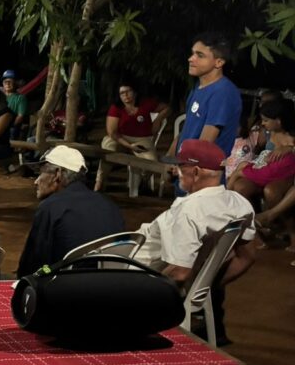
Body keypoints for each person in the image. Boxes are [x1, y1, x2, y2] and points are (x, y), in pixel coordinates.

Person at [136, 139, 256, 344]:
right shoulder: (239, 203)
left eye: (181, 166)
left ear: (197, 172)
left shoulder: (190, 212)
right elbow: (247, 256)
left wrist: (147, 295)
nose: (175, 170)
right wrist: (207, 285)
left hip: (138, 269)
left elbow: (180, 272)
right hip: (169, 265)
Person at [16, 146, 125, 277]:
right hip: (112, 286)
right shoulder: (109, 205)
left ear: (57, 174)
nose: (36, 181)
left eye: (40, 173)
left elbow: (33, 267)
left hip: (68, 290)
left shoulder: (50, 207)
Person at [177, 32, 243, 159]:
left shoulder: (223, 92)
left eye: (200, 55)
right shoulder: (198, 87)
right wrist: (170, 160)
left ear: (218, 62)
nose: (191, 59)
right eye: (193, 53)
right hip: (184, 169)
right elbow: (186, 130)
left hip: (202, 173)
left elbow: (205, 143)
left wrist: (186, 168)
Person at [228, 99, 295, 203]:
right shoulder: (269, 132)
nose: (263, 123)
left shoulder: (291, 136)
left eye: (266, 120)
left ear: (278, 121)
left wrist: (289, 148)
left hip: (279, 173)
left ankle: (224, 199)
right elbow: (256, 147)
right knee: (240, 183)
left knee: (240, 173)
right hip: (264, 167)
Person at [101, 82, 167, 160]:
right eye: (122, 93)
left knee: (152, 160)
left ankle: (142, 172)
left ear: (135, 93)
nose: (125, 95)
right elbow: (112, 132)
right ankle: (101, 172)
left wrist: (157, 120)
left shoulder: (146, 103)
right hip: (119, 138)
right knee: (108, 151)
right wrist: (129, 146)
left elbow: (167, 108)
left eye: (128, 91)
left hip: (142, 139)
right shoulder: (116, 108)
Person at [1, 70, 29, 140]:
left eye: (10, 82)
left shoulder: (20, 98)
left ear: (15, 83)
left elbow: (20, 116)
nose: (7, 84)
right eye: (5, 82)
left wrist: (10, 126)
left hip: (12, 126)